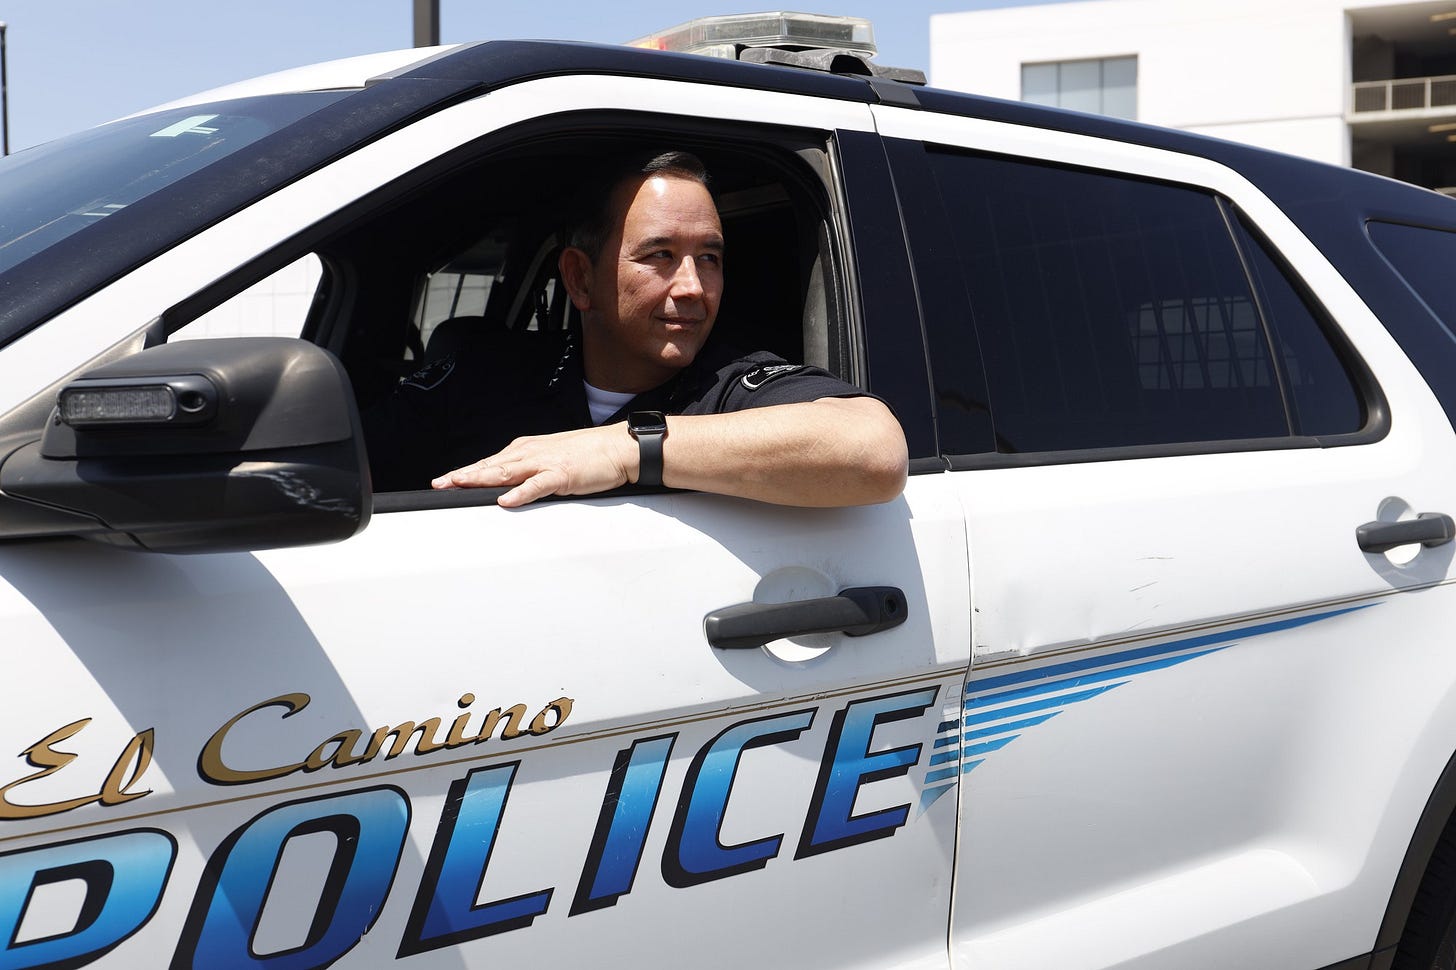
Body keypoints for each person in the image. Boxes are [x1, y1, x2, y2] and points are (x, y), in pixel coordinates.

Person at [364, 151, 907, 508]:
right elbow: (351, 466)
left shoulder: (731, 385)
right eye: (661, 256)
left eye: (710, 258)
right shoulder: (486, 376)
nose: (694, 286)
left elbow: (872, 448)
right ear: (580, 278)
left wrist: (624, 450)